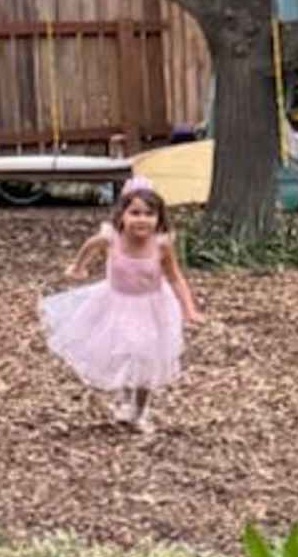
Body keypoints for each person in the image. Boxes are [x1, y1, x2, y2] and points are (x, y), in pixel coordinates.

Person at [39, 177, 196, 438]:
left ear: (159, 219)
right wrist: (79, 266)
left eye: (149, 214)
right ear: (122, 215)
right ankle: (124, 397)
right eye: (135, 213)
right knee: (122, 352)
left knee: (147, 357)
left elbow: (176, 277)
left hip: (152, 306)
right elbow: (89, 245)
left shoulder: (161, 245)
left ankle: (141, 410)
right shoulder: (111, 239)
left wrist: (188, 308)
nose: (142, 220)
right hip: (116, 303)